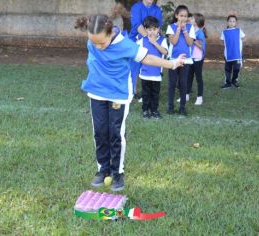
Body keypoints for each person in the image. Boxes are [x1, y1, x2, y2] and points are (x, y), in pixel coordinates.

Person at [74, 15, 185, 191]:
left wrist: (172, 64)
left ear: (110, 34)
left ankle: (117, 172)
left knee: (115, 133)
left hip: (118, 95)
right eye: (93, 43)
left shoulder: (125, 45)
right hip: (96, 93)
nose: (97, 47)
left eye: (101, 43)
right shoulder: (95, 37)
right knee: (100, 132)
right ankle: (103, 169)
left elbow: (147, 58)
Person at [129, 0, 163, 101]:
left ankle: (150, 91)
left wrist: (154, 41)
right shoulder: (136, 7)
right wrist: (147, 39)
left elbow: (158, 27)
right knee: (135, 65)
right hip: (136, 39)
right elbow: (137, 25)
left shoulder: (157, 9)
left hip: (152, 40)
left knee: (150, 64)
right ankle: (133, 90)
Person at [166, 5, 196, 116]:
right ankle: (170, 107)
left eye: (185, 16)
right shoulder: (171, 27)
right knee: (172, 84)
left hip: (186, 60)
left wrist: (184, 30)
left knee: (183, 84)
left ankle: (182, 108)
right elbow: (173, 42)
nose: (183, 18)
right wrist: (178, 29)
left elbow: (189, 43)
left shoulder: (190, 27)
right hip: (173, 59)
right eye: (181, 15)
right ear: (176, 16)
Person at [137, 16, 168, 119]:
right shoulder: (142, 41)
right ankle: (145, 110)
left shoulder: (162, 40)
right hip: (145, 73)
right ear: (145, 30)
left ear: (158, 29)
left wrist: (154, 43)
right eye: (149, 29)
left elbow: (165, 52)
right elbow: (137, 54)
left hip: (156, 74)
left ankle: (154, 110)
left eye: (154, 29)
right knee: (146, 94)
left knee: (155, 94)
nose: (152, 32)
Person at [187, 13, 207, 105]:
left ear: (196, 22)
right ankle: (186, 95)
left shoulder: (200, 33)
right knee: (188, 76)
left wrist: (193, 41)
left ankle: (200, 97)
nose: (190, 19)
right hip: (190, 57)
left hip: (198, 58)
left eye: (192, 18)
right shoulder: (190, 30)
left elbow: (201, 47)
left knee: (198, 77)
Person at [220, 14, 245, 88]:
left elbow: (243, 38)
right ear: (227, 22)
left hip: (237, 54)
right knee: (227, 69)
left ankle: (234, 81)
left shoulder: (239, 30)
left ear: (236, 23)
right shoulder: (224, 32)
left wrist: (238, 45)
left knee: (237, 69)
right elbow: (222, 41)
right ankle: (227, 83)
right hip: (228, 55)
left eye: (233, 21)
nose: (232, 23)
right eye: (230, 21)